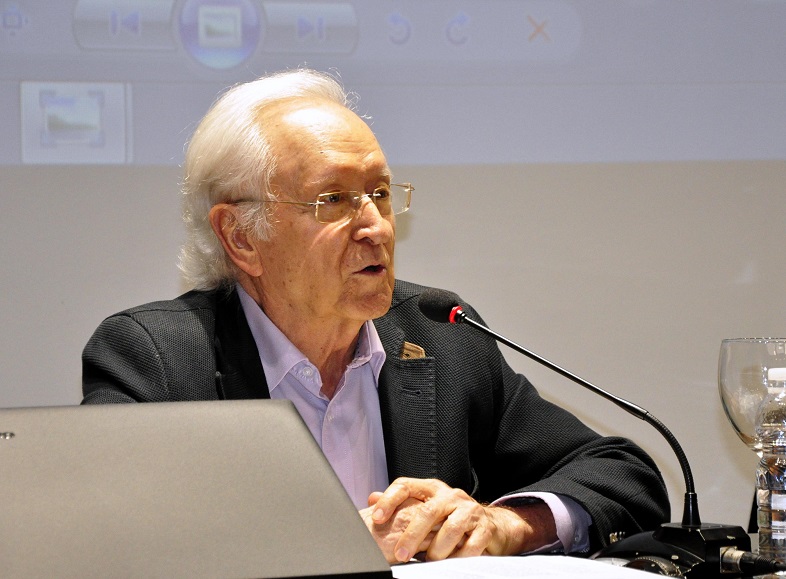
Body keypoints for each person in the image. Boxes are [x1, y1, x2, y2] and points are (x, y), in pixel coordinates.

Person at [82, 68, 669, 563]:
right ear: (241, 237)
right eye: (333, 200)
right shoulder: (157, 360)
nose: (375, 227)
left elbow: (622, 475)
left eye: (381, 194)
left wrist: (506, 525)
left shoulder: (441, 336)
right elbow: (107, 540)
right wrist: (334, 543)